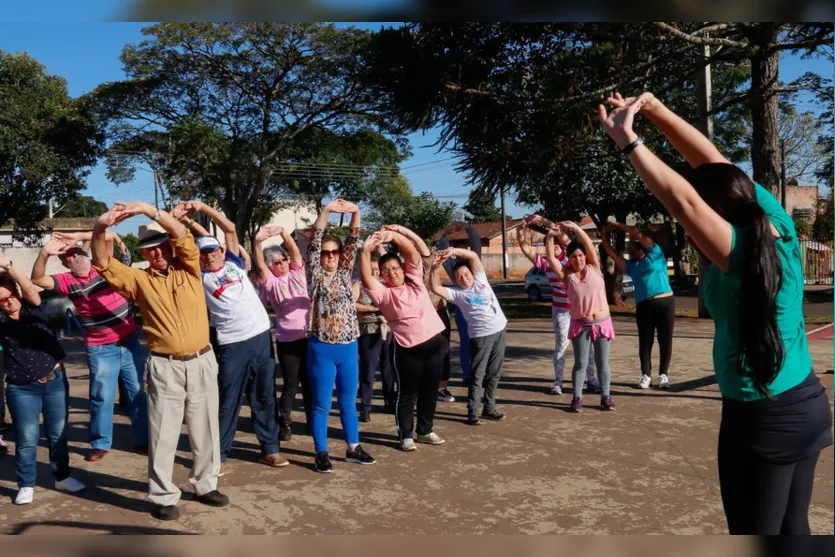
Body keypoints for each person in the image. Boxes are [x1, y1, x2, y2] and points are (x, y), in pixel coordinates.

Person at [599, 91, 832, 535]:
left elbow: (684, 202)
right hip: (805, 402)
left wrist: (629, 141)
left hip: (763, 416)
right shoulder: (774, 223)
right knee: (793, 526)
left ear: (714, 215)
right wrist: (655, 109)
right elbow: (711, 161)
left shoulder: (740, 253)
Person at [91, 201, 229, 521]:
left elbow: (182, 234)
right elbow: (102, 262)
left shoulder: (190, 267)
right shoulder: (139, 281)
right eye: (148, 248)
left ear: (169, 245)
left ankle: (206, 484)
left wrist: (147, 210)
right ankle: (163, 494)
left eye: (160, 245)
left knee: (206, 426)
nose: (156, 252)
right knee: (163, 433)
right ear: (143, 253)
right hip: (165, 365)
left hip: (202, 360)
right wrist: (100, 229)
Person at [172, 200, 286, 470]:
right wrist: (182, 222)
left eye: (213, 251)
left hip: (260, 337)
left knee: (265, 395)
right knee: (228, 399)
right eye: (204, 254)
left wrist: (200, 208)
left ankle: (269, 448)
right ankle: (218, 455)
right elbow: (184, 244)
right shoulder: (199, 276)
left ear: (221, 251)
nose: (209, 257)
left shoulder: (234, 261)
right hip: (232, 344)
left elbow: (230, 228)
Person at [30, 232, 148, 462]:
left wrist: (79, 237)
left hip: (130, 341)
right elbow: (37, 280)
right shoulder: (66, 281)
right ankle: (100, 443)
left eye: (76, 250)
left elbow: (110, 236)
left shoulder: (103, 267)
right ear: (66, 263)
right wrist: (44, 253)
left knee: (137, 394)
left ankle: (143, 439)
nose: (74, 254)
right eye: (68, 255)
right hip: (102, 348)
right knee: (102, 396)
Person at [0, 255, 86, 505]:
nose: (7, 304)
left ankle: (62, 476)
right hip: (21, 388)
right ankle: (26, 484)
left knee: (58, 433)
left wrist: (9, 266)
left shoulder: (33, 307)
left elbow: (30, 290)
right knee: (27, 439)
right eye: (1, 301)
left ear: (17, 293)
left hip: (55, 381)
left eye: (10, 297)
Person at [362, 228, 450, 451]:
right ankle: (406, 435)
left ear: (402, 270)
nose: (391, 273)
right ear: (381, 275)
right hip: (407, 350)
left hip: (435, 345)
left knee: (430, 392)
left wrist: (395, 237)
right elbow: (365, 276)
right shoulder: (383, 294)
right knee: (407, 394)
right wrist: (365, 250)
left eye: (394, 268)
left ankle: (425, 430)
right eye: (385, 270)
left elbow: (412, 254)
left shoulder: (415, 282)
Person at [305, 199, 376, 473]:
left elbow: (354, 238)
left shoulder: (346, 272)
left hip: (348, 347)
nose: (331, 256)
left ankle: (353, 447)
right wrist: (325, 211)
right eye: (326, 253)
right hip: (322, 348)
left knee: (348, 401)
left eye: (335, 252)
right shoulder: (315, 275)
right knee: (322, 404)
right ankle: (321, 452)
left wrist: (357, 211)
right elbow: (315, 240)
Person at [517, 219, 599, 395]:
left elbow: (561, 233)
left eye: (557, 244)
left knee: (588, 346)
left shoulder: (571, 260)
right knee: (562, 345)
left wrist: (542, 220)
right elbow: (525, 248)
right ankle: (558, 382)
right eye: (551, 244)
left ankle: (592, 380)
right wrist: (519, 229)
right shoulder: (546, 264)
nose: (554, 247)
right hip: (561, 311)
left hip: (581, 309)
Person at [429, 247, 507, 425]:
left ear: (472, 273)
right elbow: (434, 287)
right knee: (478, 375)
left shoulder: (481, 279)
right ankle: (473, 412)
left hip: (500, 330)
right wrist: (435, 268)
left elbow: (472, 255)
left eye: (466, 274)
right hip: (481, 337)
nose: (464, 278)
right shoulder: (457, 294)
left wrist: (453, 251)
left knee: (494, 373)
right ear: (455, 280)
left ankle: (490, 408)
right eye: (459, 277)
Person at [544, 221, 616, 413]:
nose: (578, 259)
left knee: (602, 362)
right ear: (569, 259)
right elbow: (551, 258)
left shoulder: (594, 267)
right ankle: (577, 397)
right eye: (574, 257)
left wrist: (576, 229)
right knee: (581, 363)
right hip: (581, 324)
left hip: (602, 323)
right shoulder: (567, 276)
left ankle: (606, 396)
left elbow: (590, 245)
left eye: (580, 256)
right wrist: (551, 237)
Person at [253, 224, 313, 441]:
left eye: (283, 259)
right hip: (287, 339)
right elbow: (259, 264)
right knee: (290, 385)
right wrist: (257, 241)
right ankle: (285, 423)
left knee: (309, 383)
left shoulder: (298, 272)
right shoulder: (270, 281)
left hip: (307, 337)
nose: (282, 264)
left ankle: (311, 421)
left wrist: (283, 232)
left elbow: (295, 251)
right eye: (276, 262)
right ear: (271, 267)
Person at [600, 222, 674, 390]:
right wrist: (604, 238)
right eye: (629, 252)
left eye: (634, 250)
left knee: (665, 340)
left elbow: (638, 234)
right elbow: (612, 254)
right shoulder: (631, 266)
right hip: (644, 305)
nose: (631, 253)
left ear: (643, 249)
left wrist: (618, 225)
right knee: (645, 341)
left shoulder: (655, 254)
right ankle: (646, 375)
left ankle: (663, 375)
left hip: (665, 302)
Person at [436, 226, 481, 387]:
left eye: (464, 250)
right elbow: (442, 248)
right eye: (458, 251)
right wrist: (446, 232)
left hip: (479, 310)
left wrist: (469, 228)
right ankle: (467, 375)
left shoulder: (474, 265)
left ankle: (479, 373)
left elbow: (476, 244)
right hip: (463, 310)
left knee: (480, 343)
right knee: (465, 343)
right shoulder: (453, 267)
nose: (461, 253)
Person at [353, 251, 390, 422]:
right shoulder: (358, 285)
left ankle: (389, 401)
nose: (375, 272)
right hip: (368, 331)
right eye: (372, 268)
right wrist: (373, 309)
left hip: (388, 331)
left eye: (377, 269)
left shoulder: (387, 284)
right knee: (368, 370)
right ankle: (365, 407)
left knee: (389, 369)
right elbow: (352, 305)